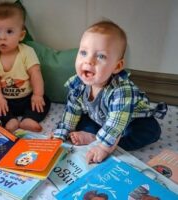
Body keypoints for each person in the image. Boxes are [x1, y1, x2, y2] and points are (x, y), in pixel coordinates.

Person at [52, 20, 167, 164]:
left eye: (100, 56)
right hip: (102, 118)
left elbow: (116, 124)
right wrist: (60, 135)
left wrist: (103, 147)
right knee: (78, 119)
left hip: (131, 120)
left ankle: (101, 139)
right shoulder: (78, 85)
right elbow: (71, 112)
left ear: (117, 66)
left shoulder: (122, 91)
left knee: (151, 131)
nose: (89, 61)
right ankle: (96, 134)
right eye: (83, 52)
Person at [0, 2, 51, 133]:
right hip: (5, 102)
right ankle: (10, 119)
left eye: (9, 31)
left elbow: (35, 73)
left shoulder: (27, 52)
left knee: (44, 101)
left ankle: (29, 119)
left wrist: (37, 95)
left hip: (27, 98)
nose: (2, 37)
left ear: (21, 35)